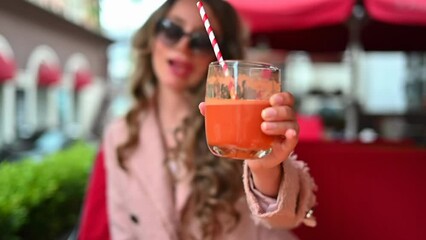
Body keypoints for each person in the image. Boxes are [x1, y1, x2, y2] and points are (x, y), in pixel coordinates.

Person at [78, 0, 317, 239]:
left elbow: (284, 220)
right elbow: (123, 232)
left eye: (201, 41)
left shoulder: (238, 123)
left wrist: (266, 168)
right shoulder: (120, 135)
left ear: (219, 55)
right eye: (172, 30)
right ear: (152, 37)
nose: (183, 46)